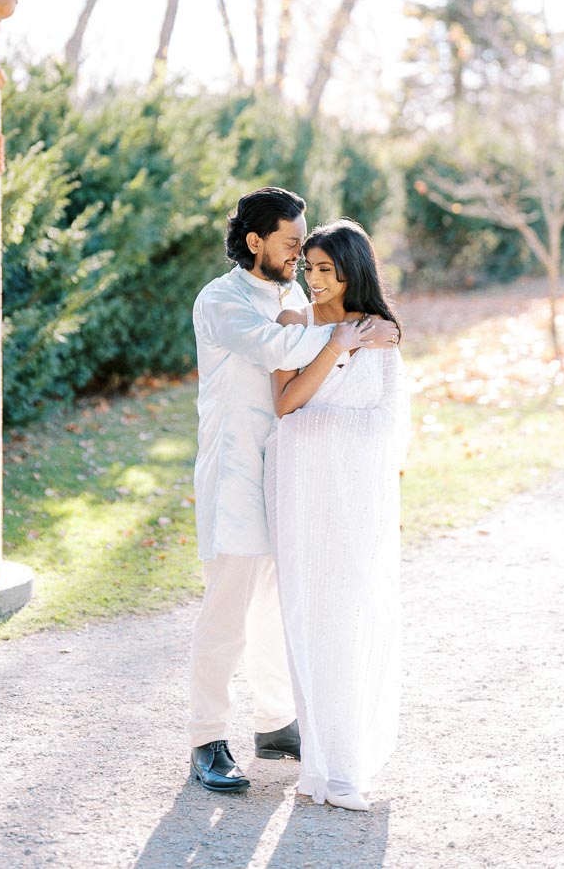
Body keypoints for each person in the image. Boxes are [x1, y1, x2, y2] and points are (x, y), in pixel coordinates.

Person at [188, 188, 398, 794]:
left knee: (281, 603)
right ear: (255, 242)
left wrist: (355, 329)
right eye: (288, 243)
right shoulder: (222, 300)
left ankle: (276, 723)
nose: (298, 256)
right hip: (234, 475)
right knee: (226, 610)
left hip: (288, 473)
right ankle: (206, 737)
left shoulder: (291, 296)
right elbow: (276, 347)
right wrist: (348, 335)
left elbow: (312, 348)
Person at [266, 218, 411, 812]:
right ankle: (320, 767)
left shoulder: (383, 333)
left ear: (354, 271)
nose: (316, 279)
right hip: (300, 496)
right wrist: (334, 346)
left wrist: (321, 425)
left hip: (355, 499)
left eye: (327, 269)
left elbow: (387, 420)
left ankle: (348, 765)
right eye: (311, 268)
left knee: (350, 617)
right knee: (306, 615)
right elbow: (286, 405)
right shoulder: (291, 324)